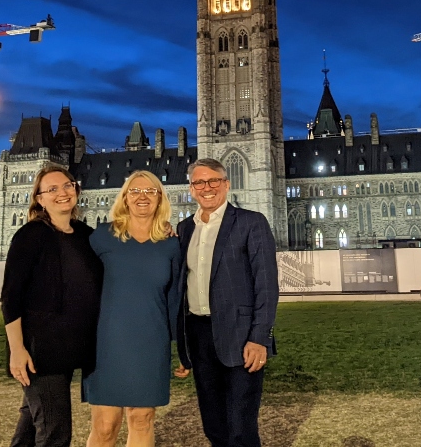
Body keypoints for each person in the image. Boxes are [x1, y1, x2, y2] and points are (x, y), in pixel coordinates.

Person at [174, 158, 279, 447]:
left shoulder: (251, 222)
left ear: (226, 184)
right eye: (199, 182)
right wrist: (182, 348)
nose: (207, 188)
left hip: (241, 337)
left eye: (213, 181)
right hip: (199, 336)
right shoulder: (184, 229)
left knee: (240, 429)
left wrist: (260, 338)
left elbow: (267, 285)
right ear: (191, 189)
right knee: (213, 425)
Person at [1, 164, 104, 447]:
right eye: (52, 189)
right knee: (54, 432)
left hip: (70, 347)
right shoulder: (30, 236)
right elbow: (11, 296)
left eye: (68, 185)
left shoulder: (86, 235)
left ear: (77, 190)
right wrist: (17, 350)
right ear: (40, 199)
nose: (62, 193)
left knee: (33, 425)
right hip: (39, 351)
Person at [84, 170, 182, 447]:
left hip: (151, 341)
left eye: (150, 191)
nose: (143, 197)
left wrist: (182, 350)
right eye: (135, 191)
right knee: (105, 427)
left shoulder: (171, 243)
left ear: (160, 198)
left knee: (142, 419)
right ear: (125, 198)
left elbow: (174, 297)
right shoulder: (102, 237)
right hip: (106, 343)